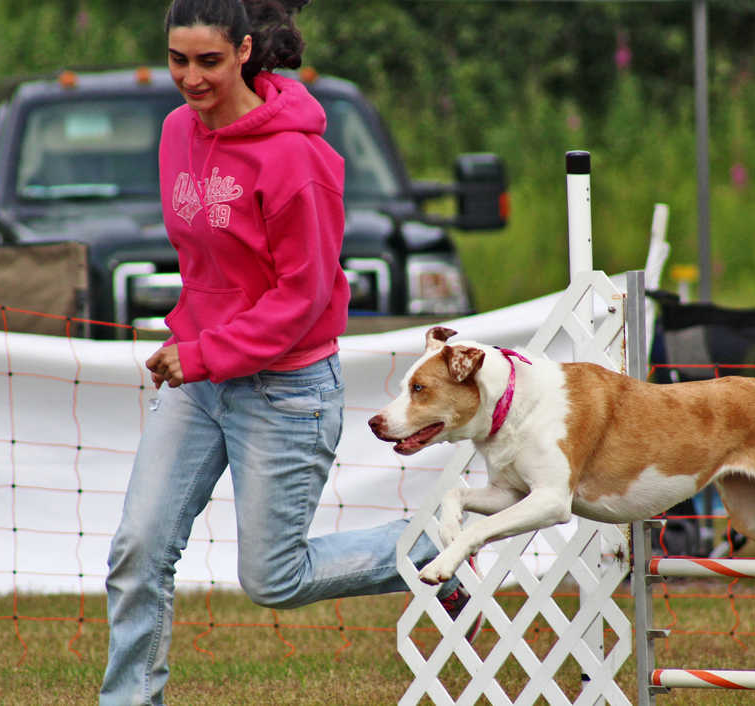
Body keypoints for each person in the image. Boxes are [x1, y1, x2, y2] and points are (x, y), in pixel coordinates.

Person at [100, 2, 476, 703]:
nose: (190, 77)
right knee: (138, 550)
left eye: (208, 60)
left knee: (275, 579)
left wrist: (208, 351)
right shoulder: (176, 133)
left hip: (285, 389)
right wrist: (189, 339)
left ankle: (424, 546)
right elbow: (201, 261)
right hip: (203, 381)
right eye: (178, 60)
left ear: (244, 50)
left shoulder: (296, 157)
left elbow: (302, 295)